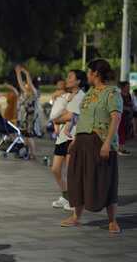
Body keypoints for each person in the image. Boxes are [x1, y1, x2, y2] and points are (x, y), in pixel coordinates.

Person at [62, 59, 122, 234]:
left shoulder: (112, 93)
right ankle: (76, 217)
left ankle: (112, 220)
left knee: (106, 179)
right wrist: (75, 139)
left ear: (95, 73)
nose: (87, 75)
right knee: (77, 178)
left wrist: (107, 143)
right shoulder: (90, 93)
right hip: (82, 142)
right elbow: (83, 118)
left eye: (89, 72)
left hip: (100, 141)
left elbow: (115, 119)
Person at [50, 70, 88, 211]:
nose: (67, 79)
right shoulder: (65, 95)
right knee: (55, 169)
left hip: (74, 136)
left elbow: (69, 116)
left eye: (70, 77)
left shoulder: (82, 97)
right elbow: (56, 116)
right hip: (61, 137)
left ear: (78, 81)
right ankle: (66, 195)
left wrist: (60, 116)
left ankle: (75, 199)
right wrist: (60, 116)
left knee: (71, 171)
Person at [15, 65, 39, 160]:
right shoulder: (26, 93)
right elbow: (20, 83)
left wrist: (26, 73)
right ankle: (27, 153)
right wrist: (18, 73)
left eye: (27, 84)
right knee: (25, 135)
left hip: (30, 117)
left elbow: (29, 82)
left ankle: (33, 154)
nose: (25, 85)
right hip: (24, 116)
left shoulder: (34, 93)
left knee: (29, 136)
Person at [117, 81, 133, 156]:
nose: (128, 88)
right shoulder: (119, 95)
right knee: (121, 132)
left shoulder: (128, 95)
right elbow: (119, 105)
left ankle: (122, 148)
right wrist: (126, 108)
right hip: (121, 116)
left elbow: (131, 103)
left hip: (127, 117)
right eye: (127, 86)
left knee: (125, 132)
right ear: (123, 87)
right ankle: (119, 149)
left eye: (129, 86)